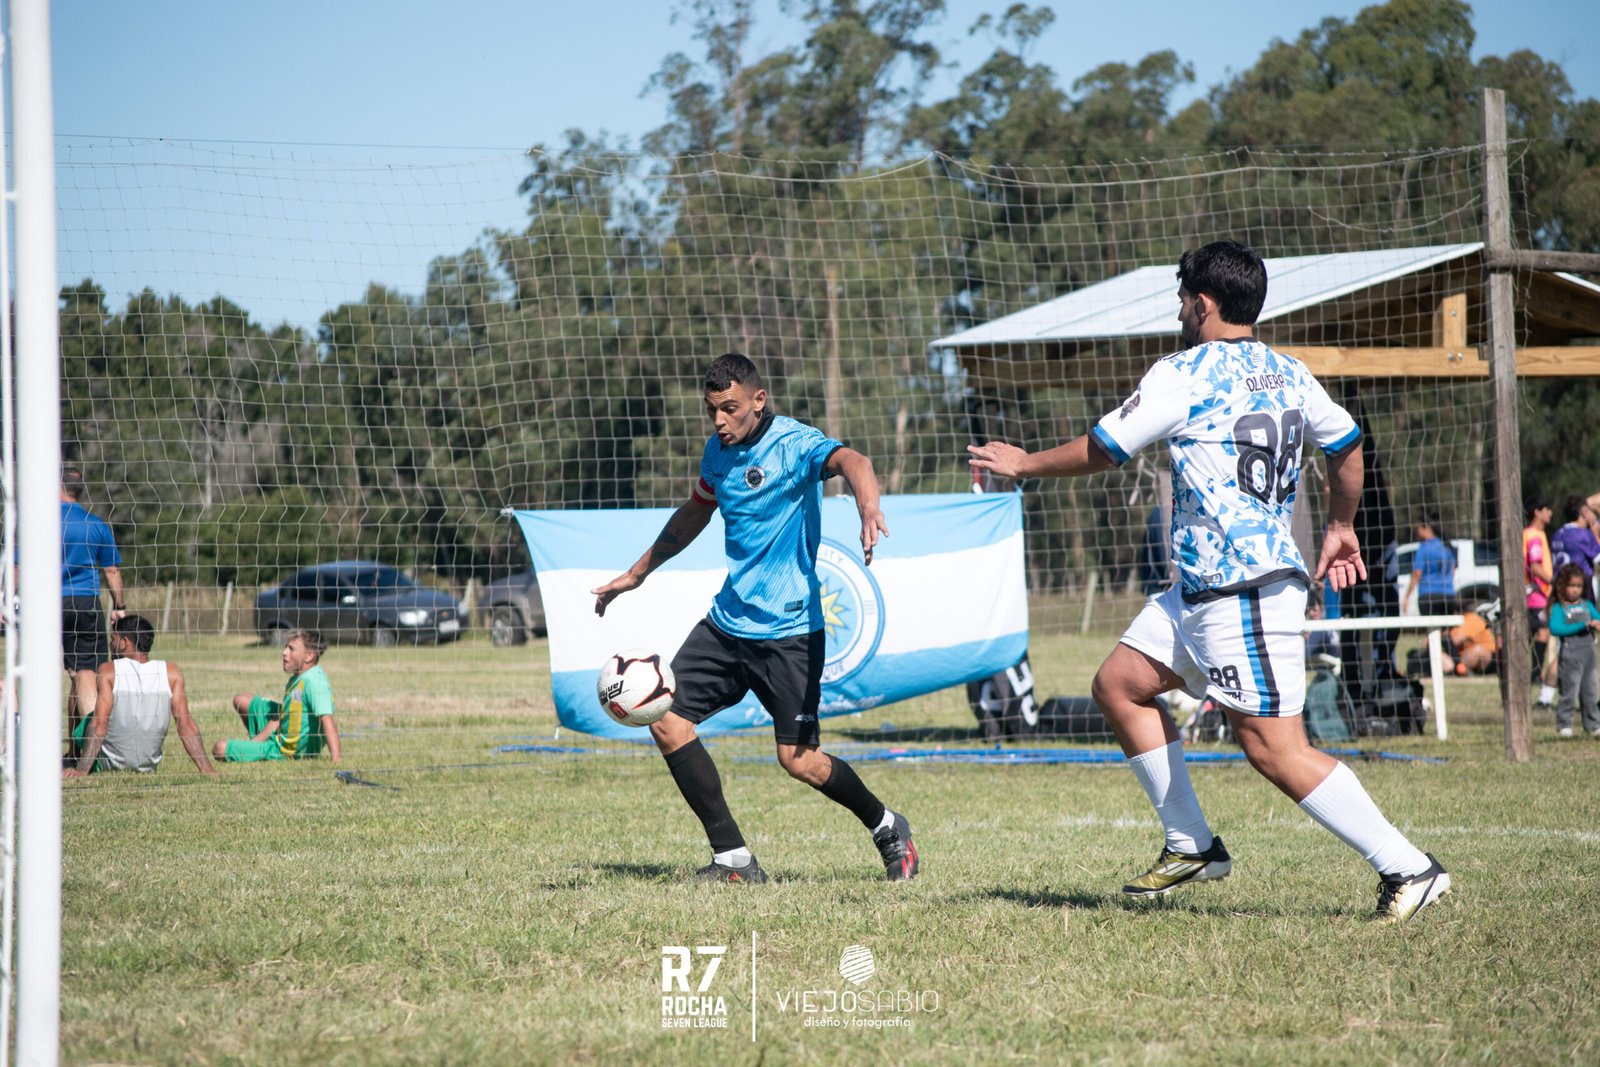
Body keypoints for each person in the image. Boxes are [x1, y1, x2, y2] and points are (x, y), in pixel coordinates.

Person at [968, 240, 1449, 923]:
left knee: (1274, 747)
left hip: (1243, 587)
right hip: (1201, 586)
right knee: (1119, 685)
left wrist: (1025, 463)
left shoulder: (1184, 372)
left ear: (1201, 303)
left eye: (1180, 302)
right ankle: (1191, 844)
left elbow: (1106, 448)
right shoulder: (1289, 371)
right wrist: (1342, 523)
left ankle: (1409, 866)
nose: (1178, 313)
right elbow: (1347, 444)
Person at [592, 352, 917, 884]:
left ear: (758, 400)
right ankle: (734, 860)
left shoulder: (794, 444)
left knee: (800, 761)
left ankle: (886, 825)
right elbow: (696, 512)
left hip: (789, 633)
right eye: (712, 410)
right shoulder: (717, 453)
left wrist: (868, 505)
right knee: (666, 719)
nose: (720, 420)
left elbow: (854, 461)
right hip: (727, 624)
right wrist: (637, 573)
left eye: (730, 408)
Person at [63, 614, 218, 777]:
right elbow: (186, 725)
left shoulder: (108, 671)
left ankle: (74, 757)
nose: (110, 644)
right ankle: (73, 756)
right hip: (147, 766)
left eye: (113, 639)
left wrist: (81, 770)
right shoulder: (171, 673)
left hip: (108, 764)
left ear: (124, 642)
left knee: (82, 676)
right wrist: (208, 770)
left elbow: (99, 725)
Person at [60, 467, 127, 756]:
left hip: (46, 603)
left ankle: (72, 750)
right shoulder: (96, 524)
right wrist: (120, 607)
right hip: (85, 602)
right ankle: (88, 751)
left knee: (72, 677)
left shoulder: (40, 521)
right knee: (85, 675)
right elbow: (112, 571)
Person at [214, 629, 341, 763]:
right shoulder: (300, 677)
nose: (284, 652)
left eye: (291, 649)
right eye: (286, 647)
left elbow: (327, 719)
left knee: (219, 749)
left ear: (309, 656)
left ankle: (257, 750)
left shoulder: (315, 683)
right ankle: (256, 745)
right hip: (284, 728)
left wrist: (336, 759)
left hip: (286, 751)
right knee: (241, 700)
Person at [1547, 563, 1600, 739]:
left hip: (1589, 655)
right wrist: (1580, 626)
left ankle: (1593, 725)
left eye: (1579, 586)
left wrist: (1596, 624)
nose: (1575, 590)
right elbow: (1555, 628)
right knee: (1569, 691)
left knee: (1590, 691)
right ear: (1562, 586)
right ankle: (1565, 725)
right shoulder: (1559, 608)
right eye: (1571, 585)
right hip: (1570, 655)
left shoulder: (1587, 605)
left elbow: (1597, 618)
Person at [1524, 495, 1557, 708]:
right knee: (1543, 633)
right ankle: (1534, 674)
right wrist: (1553, 582)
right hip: (1537, 594)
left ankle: (1529, 673)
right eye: (1547, 509)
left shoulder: (1530, 534)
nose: (1550, 513)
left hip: (1532, 594)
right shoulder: (1534, 536)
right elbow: (1535, 566)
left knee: (1532, 634)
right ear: (1537, 512)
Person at [1402, 515, 1456, 617]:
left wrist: (1407, 597)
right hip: (1449, 594)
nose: (1417, 531)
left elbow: (1417, 574)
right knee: (1447, 626)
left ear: (1425, 528)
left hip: (1428, 595)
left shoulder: (1424, 548)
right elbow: (1453, 571)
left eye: (1418, 528)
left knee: (1432, 627)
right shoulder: (1447, 546)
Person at [1550, 495, 1600, 602]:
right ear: (1584, 513)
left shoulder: (1557, 534)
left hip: (1559, 587)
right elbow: (1598, 558)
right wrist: (1595, 534)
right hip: (1580, 589)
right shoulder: (1583, 535)